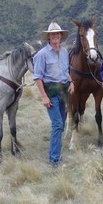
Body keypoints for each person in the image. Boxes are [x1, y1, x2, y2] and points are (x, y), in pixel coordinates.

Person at [33, 22, 74, 165]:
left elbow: (66, 71)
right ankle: (54, 159)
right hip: (51, 93)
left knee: (61, 124)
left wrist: (72, 82)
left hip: (64, 92)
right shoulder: (41, 54)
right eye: (52, 34)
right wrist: (44, 96)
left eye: (57, 34)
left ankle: (54, 153)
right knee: (57, 124)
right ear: (49, 37)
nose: (55, 36)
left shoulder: (64, 52)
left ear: (61, 36)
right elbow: (37, 77)